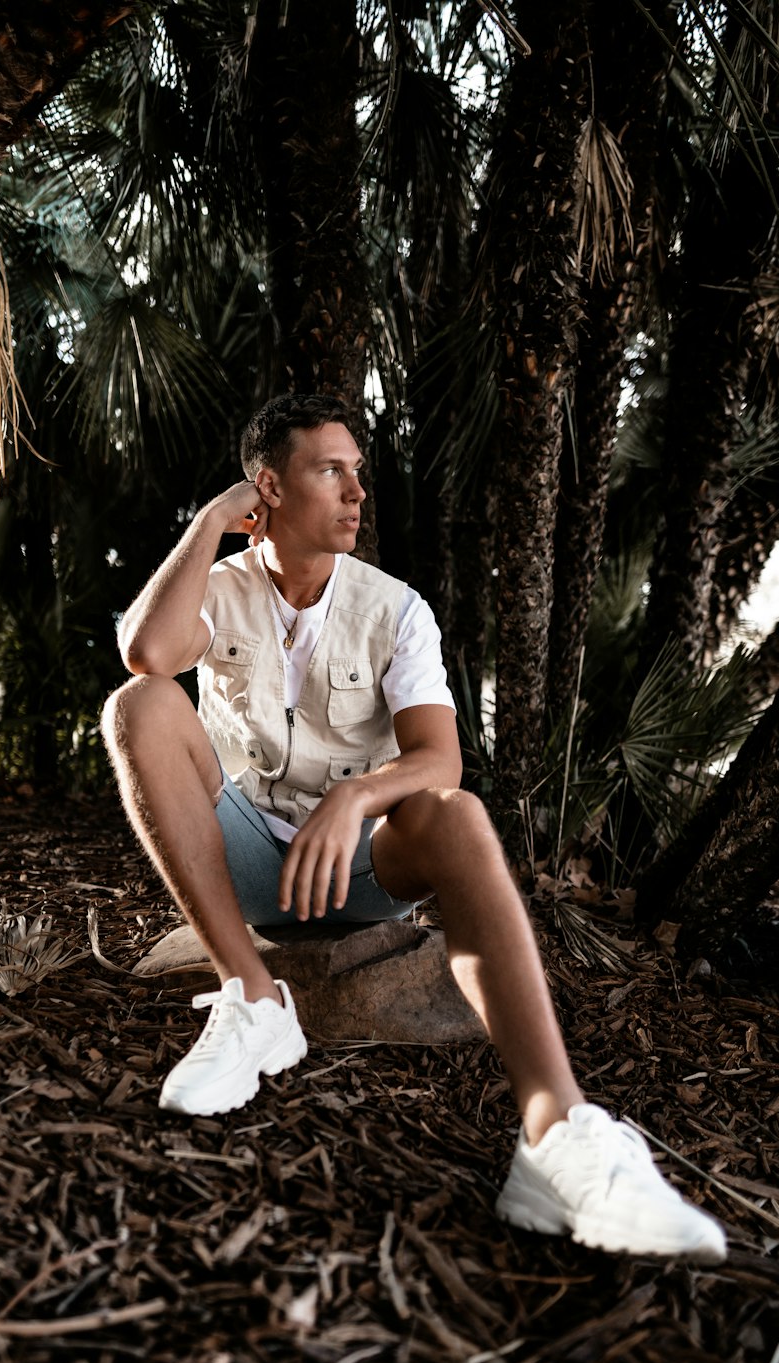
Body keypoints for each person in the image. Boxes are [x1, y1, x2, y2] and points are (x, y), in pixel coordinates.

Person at [103, 394, 726, 1263]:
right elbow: (146, 653)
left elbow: (439, 758)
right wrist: (211, 520)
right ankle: (253, 1000)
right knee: (136, 707)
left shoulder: (396, 610)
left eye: (360, 471)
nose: (358, 491)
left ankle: (557, 1131)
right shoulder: (216, 591)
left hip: (361, 875)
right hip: (247, 865)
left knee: (456, 813)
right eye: (332, 470)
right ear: (268, 488)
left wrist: (355, 800)